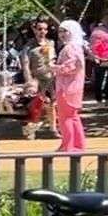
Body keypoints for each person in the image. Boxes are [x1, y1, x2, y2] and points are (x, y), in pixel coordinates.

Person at [19, 18, 58, 142]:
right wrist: (29, 81)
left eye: (45, 29)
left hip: (50, 78)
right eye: (39, 29)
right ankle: (30, 131)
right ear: (34, 30)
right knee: (35, 105)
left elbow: (54, 60)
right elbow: (25, 65)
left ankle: (53, 129)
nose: (42, 31)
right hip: (36, 79)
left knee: (52, 104)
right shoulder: (28, 46)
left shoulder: (51, 43)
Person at [55, 19, 89, 152]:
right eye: (60, 31)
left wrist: (54, 68)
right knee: (73, 117)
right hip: (74, 87)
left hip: (66, 88)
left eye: (65, 31)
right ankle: (78, 144)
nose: (62, 34)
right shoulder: (76, 46)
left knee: (65, 118)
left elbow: (71, 66)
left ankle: (68, 145)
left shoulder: (70, 47)